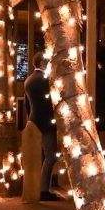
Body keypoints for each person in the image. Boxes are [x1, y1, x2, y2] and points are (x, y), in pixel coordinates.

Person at [24, 52, 59, 201]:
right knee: (51, 155)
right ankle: (44, 189)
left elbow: (27, 104)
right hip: (46, 121)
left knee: (42, 155)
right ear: (44, 63)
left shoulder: (29, 80)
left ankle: (40, 186)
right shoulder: (45, 80)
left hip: (34, 119)